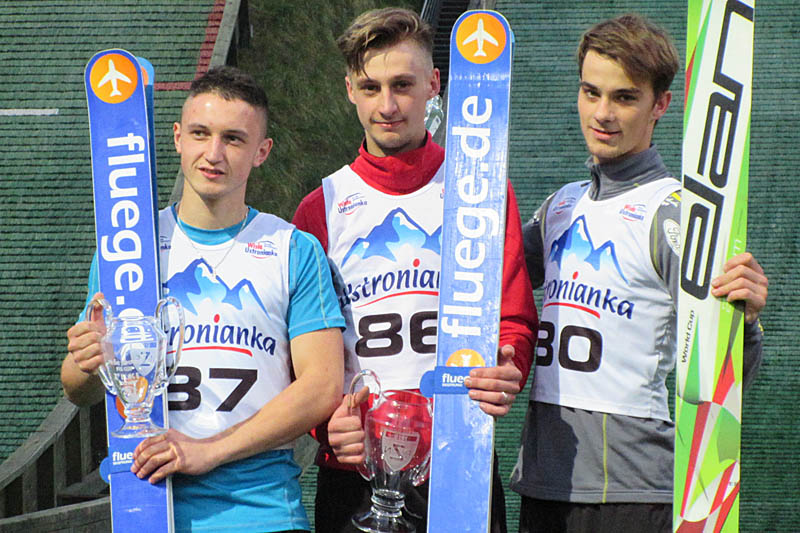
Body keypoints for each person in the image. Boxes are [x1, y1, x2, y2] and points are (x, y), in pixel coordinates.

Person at [510, 14, 769, 533]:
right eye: (591, 92)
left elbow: (726, 373)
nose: (602, 113)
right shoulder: (560, 206)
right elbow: (491, 287)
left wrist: (744, 319)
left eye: (624, 97)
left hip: (632, 493)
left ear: (660, 104)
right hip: (544, 484)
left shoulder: (676, 214)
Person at [61, 66, 345, 533]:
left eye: (233, 139)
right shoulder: (128, 245)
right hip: (148, 506)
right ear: (177, 137)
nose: (213, 154)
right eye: (200, 133)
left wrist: (209, 451)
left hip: (261, 512)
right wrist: (87, 361)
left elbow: (322, 386)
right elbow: (79, 388)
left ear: (261, 151)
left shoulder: (292, 248)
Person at [291, 7, 538, 533]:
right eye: (370, 87)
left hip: (459, 460)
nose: (387, 105)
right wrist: (324, 426)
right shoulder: (319, 208)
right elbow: (299, 357)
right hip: (356, 471)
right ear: (350, 90)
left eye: (402, 85)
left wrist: (507, 364)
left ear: (434, 84)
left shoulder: (481, 190)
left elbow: (514, 320)